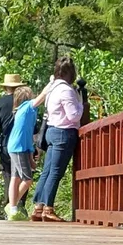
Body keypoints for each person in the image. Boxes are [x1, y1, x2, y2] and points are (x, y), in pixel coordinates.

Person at [30, 57, 84, 222]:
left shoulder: (52, 88)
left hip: (51, 131)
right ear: (71, 73)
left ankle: (38, 207)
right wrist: (81, 103)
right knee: (55, 172)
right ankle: (48, 207)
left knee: (47, 171)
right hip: (63, 133)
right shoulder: (66, 90)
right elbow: (73, 116)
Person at [0, 75, 25, 206]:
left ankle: (8, 205)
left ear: (5, 87)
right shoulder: (24, 103)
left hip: (6, 144)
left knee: (8, 175)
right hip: (22, 143)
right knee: (23, 174)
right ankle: (20, 204)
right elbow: (34, 128)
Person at [4, 84, 38, 220]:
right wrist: (52, 83)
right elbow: (40, 98)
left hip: (20, 147)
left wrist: (31, 157)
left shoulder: (26, 112)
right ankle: (12, 206)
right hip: (18, 148)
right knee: (28, 179)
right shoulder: (26, 108)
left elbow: (28, 135)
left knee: (15, 178)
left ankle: (12, 206)